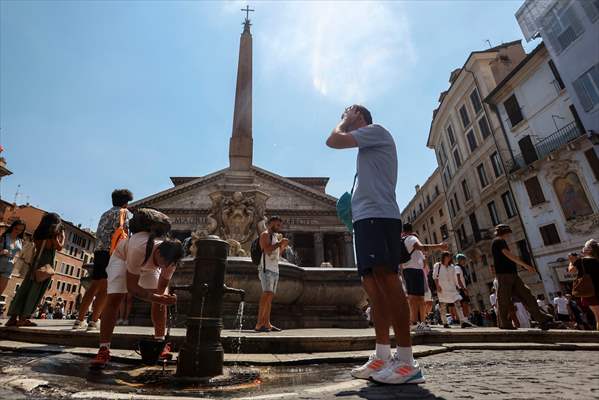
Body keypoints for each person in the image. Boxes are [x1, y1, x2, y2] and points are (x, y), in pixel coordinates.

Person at [327, 104, 424, 384]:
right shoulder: (367, 146)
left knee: (387, 279)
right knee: (373, 287)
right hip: (366, 218)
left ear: (359, 115)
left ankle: (406, 361)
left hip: (379, 215)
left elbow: (333, 140)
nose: (343, 116)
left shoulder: (376, 131)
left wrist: (344, 122)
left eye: (347, 112)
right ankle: (382, 354)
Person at [90, 233, 183, 368]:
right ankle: (103, 350)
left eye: (167, 265)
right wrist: (155, 297)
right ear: (157, 251)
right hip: (123, 259)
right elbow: (132, 288)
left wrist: (163, 298)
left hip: (148, 266)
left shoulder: (170, 261)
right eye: (162, 263)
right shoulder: (140, 248)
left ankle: (160, 344)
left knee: (161, 301)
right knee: (115, 297)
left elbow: (161, 289)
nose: (163, 267)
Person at [73, 189, 133, 331]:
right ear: (125, 202)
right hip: (113, 252)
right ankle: (94, 320)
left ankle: (79, 320)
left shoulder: (105, 213)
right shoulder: (123, 213)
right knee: (105, 288)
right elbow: (124, 231)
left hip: (99, 251)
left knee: (94, 286)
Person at [5, 213, 65, 327]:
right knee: (35, 292)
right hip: (45, 266)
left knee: (24, 289)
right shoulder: (53, 235)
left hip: (34, 263)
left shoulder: (38, 233)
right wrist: (63, 235)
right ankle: (23, 318)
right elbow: (59, 247)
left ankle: (12, 318)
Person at [491, 224, 553, 330]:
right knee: (504, 299)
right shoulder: (498, 241)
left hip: (512, 275)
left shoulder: (501, 241)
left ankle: (541, 318)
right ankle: (504, 323)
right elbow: (508, 254)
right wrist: (525, 265)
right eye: (509, 233)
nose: (510, 235)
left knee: (527, 295)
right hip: (504, 275)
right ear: (505, 232)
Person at [399, 224, 447, 332]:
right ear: (412, 230)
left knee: (417, 298)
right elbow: (422, 247)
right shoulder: (411, 238)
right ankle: (416, 323)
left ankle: (419, 323)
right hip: (414, 271)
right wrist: (439, 246)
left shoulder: (403, 240)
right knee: (416, 298)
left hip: (409, 271)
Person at [255, 216, 288, 332]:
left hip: (274, 269)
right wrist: (279, 244)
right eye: (277, 225)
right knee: (266, 295)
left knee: (270, 297)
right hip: (266, 269)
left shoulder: (274, 236)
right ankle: (259, 324)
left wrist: (283, 246)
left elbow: (276, 254)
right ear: (270, 224)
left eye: (280, 225)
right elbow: (267, 250)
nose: (279, 227)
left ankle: (267, 323)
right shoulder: (264, 235)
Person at [432, 252, 474, 329]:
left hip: (452, 288)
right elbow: (435, 276)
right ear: (443, 257)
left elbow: (454, 278)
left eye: (449, 257)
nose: (449, 258)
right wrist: (437, 286)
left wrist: (459, 287)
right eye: (447, 257)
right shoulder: (437, 265)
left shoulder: (452, 267)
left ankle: (463, 321)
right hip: (442, 288)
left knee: (458, 303)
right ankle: (445, 322)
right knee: (443, 306)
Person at [569, 240, 599, 330]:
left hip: (591, 292)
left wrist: (571, 260)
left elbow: (571, 270)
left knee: (598, 316)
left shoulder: (582, 261)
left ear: (588, 249)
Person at [0, 220, 26, 297]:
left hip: (8, 269)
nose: (18, 231)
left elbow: (19, 255)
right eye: (16, 228)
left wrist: (15, 260)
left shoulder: (20, 241)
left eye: (21, 230)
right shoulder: (4, 237)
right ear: (13, 227)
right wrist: (2, 252)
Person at [454, 254, 471, 319]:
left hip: (463, 288)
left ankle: (466, 318)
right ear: (460, 260)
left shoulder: (460, 267)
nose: (465, 261)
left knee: (466, 303)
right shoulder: (457, 267)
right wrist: (463, 289)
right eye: (464, 260)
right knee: (464, 304)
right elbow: (458, 279)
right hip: (461, 288)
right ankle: (465, 319)